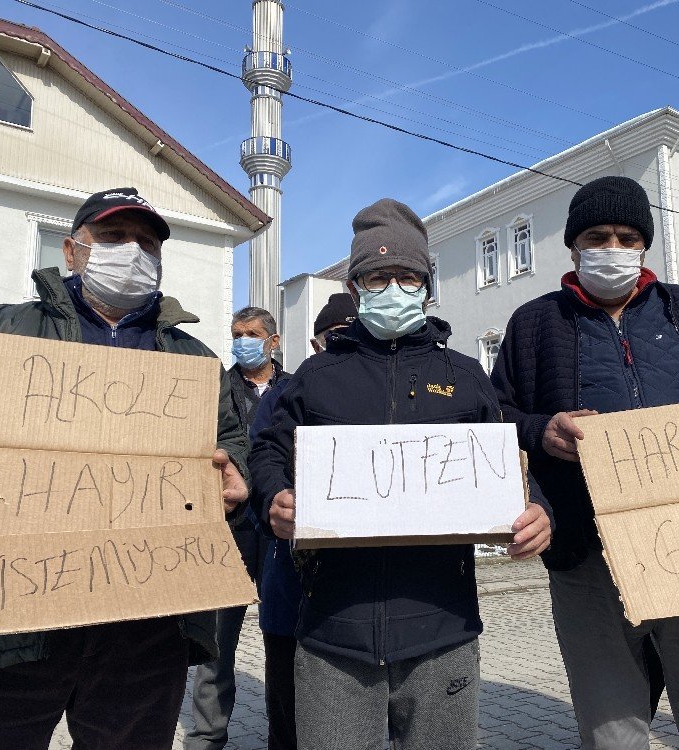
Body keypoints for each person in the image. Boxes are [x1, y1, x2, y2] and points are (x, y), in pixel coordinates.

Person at [0, 187, 250, 750]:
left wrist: (235, 479)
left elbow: (231, 443)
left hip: (146, 625)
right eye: (113, 237)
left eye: (147, 243)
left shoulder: (194, 359)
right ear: (71, 250)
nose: (132, 252)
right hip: (1, 620)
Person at [491, 176, 679, 750]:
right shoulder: (534, 323)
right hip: (587, 549)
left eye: (627, 238)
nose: (612, 249)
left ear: (644, 245)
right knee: (612, 725)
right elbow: (497, 415)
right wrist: (541, 429)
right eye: (597, 237)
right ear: (573, 247)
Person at [249, 198, 553, 750]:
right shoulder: (317, 376)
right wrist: (273, 496)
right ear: (356, 287)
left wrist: (539, 512)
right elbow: (268, 449)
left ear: (426, 285)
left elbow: (511, 463)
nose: (393, 287)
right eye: (377, 276)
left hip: (443, 629)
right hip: (333, 632)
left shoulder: (464, 376)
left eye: (407, 275)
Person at [247, 292, 356, 750]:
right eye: (335, 336)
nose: (345, 342)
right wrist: (275, 499)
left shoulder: (379, 394)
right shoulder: (285, 395)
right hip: (289, 570)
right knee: (287, 700)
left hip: (356, 586)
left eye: (353, 332)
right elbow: (260, 461)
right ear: (316, 344)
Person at [185, 306, 287, 750]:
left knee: (281, 638)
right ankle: (208, 736)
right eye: (236, 334)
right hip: (229, 528)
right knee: (217, 639)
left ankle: (284, 735)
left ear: (273, 341)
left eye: (252, 334)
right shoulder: (216, 388)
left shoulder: (294, 387)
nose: (242, 341)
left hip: (278, 529)